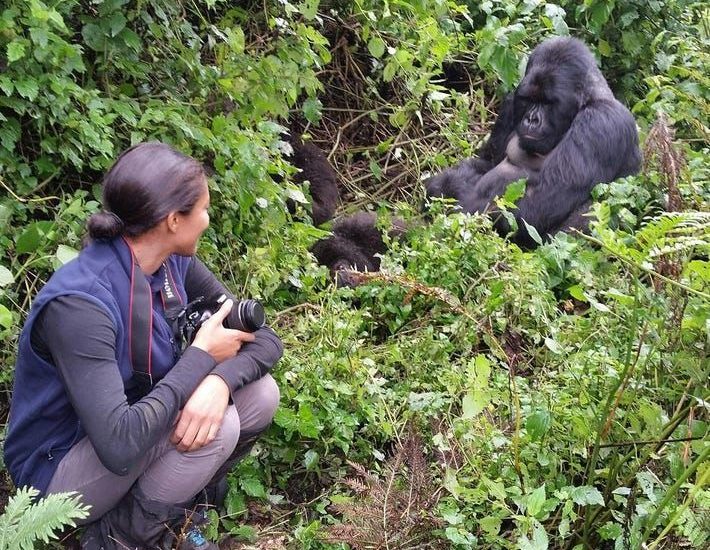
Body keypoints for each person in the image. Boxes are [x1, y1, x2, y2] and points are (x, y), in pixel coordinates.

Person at [3, 142, 283, 549]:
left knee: (260, 394)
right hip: (56, 473)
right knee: (219, 425)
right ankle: (115, 539)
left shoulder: (171, 263)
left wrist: (217, 382)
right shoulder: (81, 305)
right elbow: (118, 444)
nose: (207, 220)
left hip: (134, 423)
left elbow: (265, 340)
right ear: (173, 220)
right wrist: (200, 359)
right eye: (203, 209)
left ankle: (172, 514)